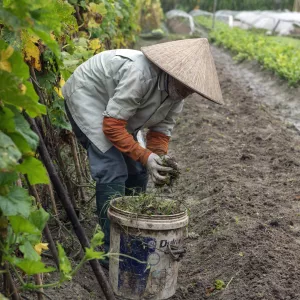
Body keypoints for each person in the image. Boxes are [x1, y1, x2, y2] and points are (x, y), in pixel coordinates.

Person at [62, 38, 223, 265]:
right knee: (112, 168)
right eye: (186, 86)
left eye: (193, 90)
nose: (188, 92)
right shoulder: (140, 74)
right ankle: (112, 249)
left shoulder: (177, 95)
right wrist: (147, 155)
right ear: (173, 73)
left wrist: (159, 158)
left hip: (118, 113)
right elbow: (112, 126)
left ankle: (132, 232)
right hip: (89, 97)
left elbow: (160, 131)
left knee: (138, 169)